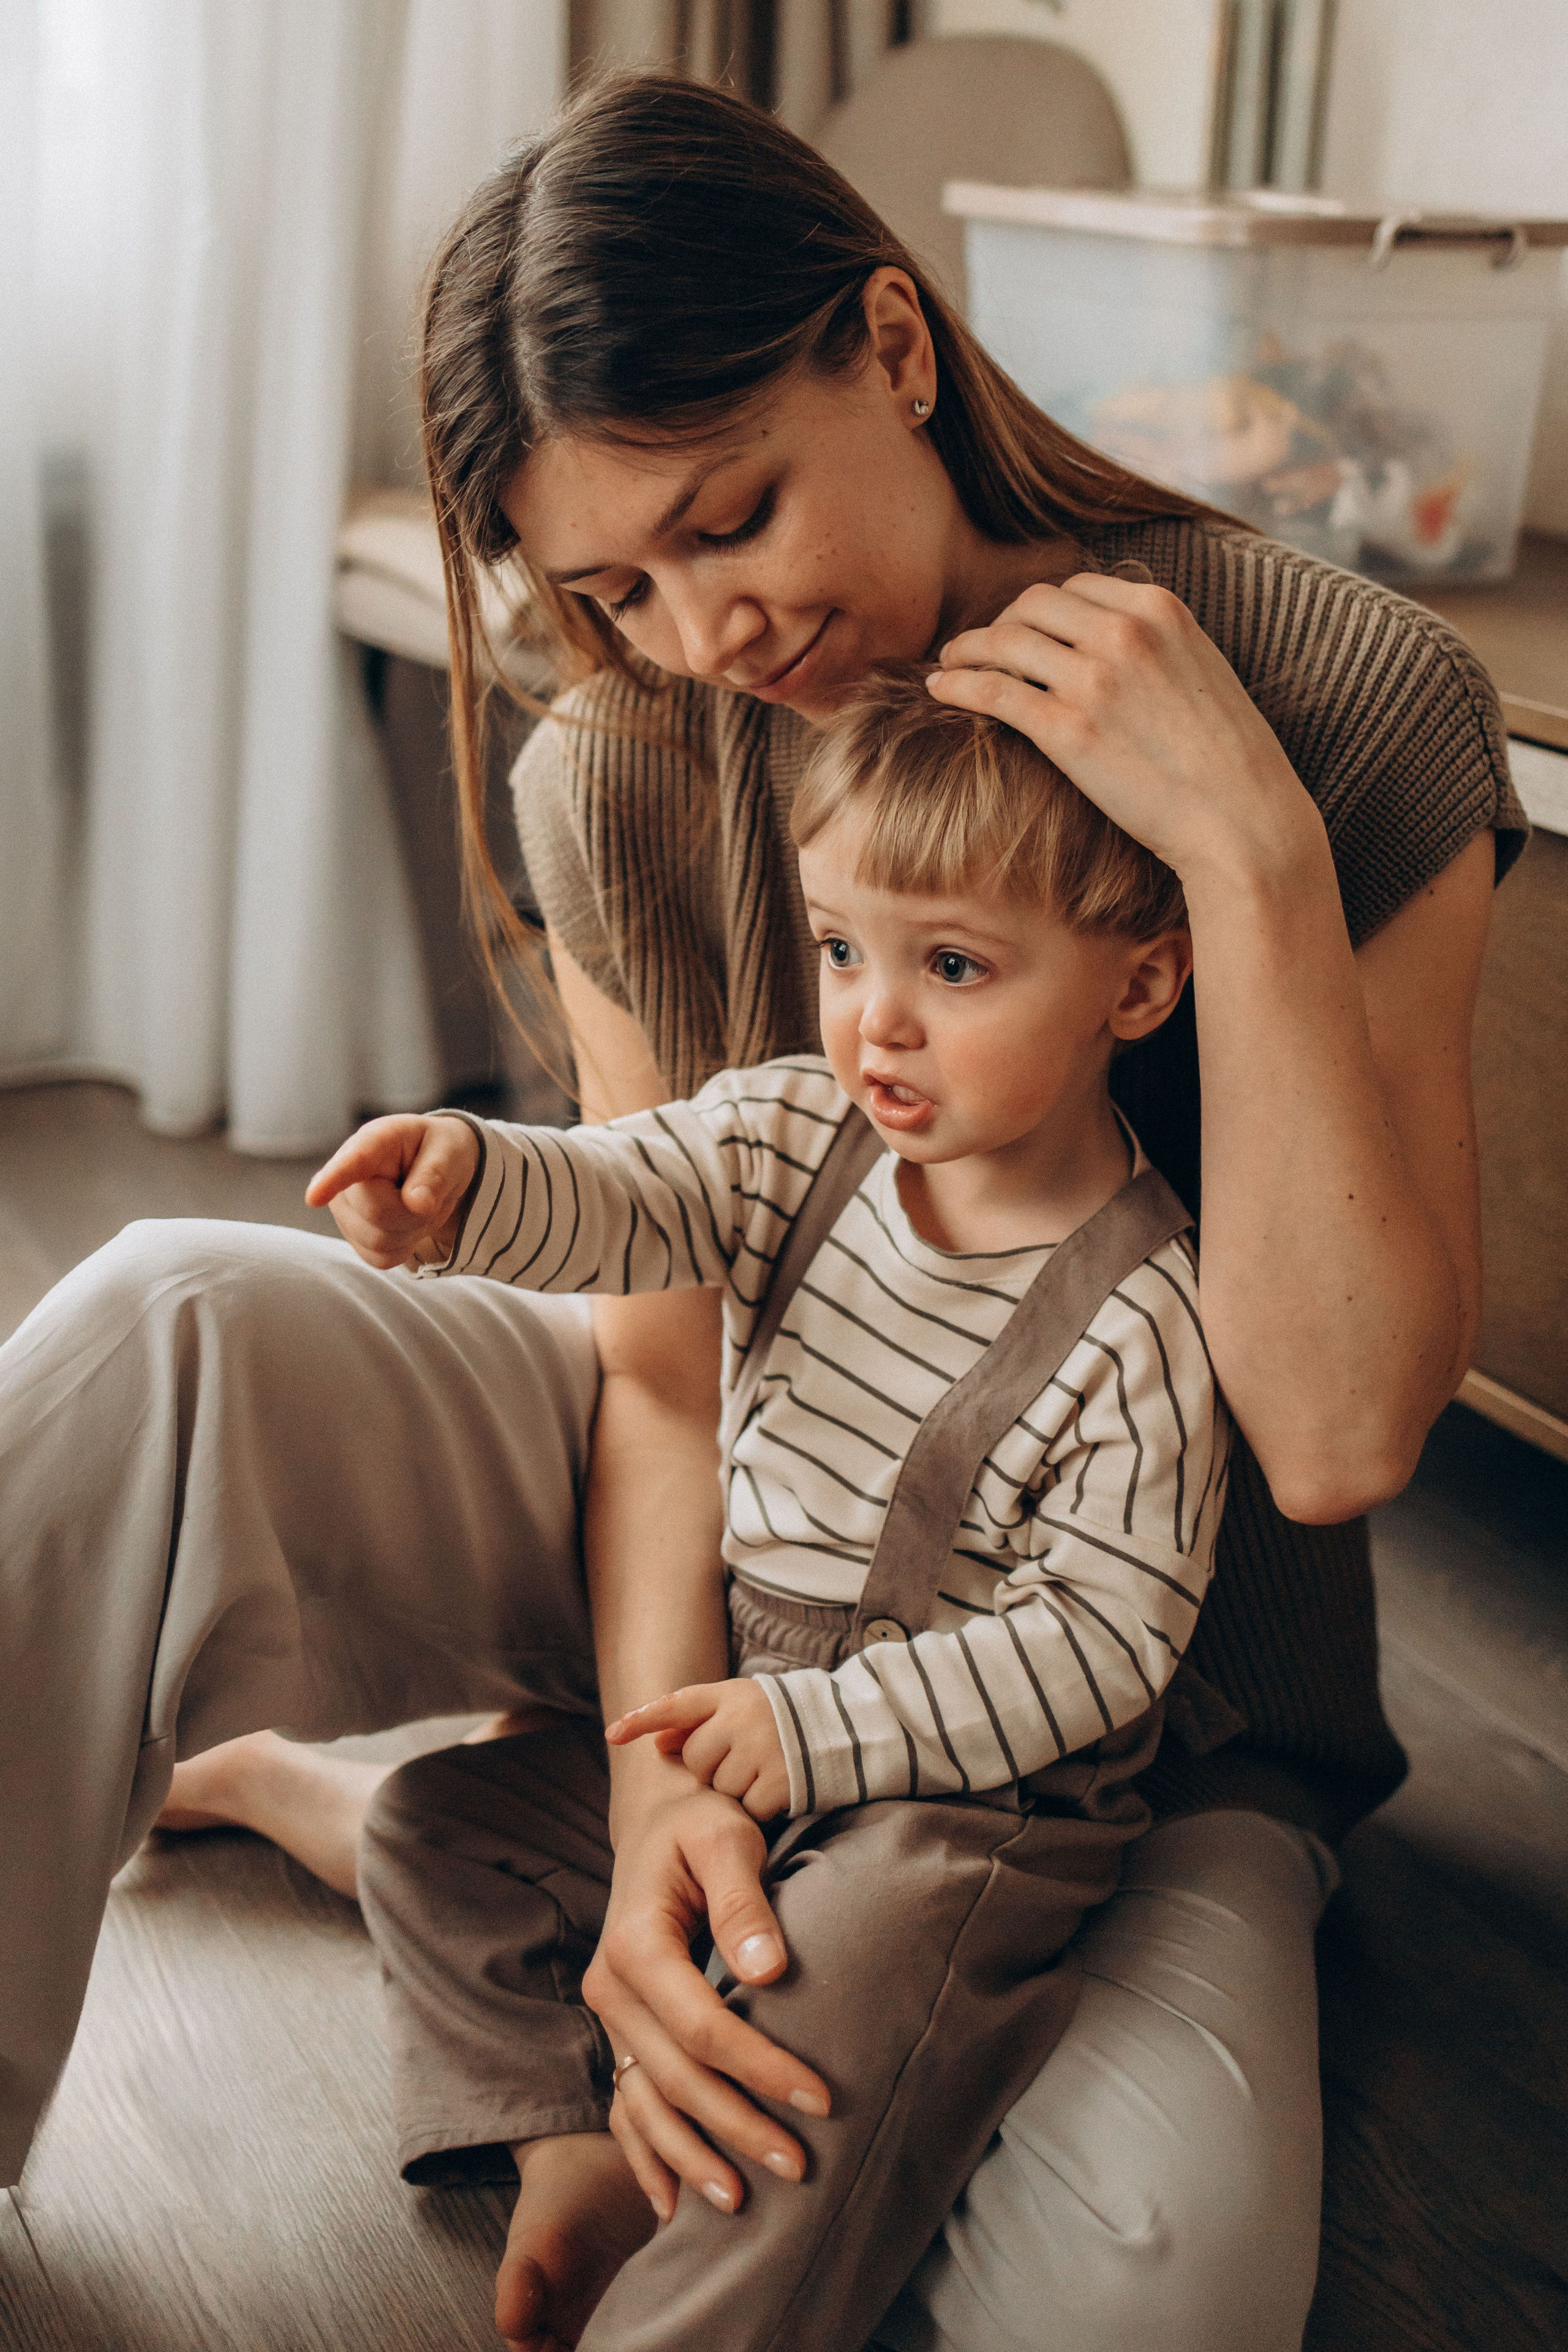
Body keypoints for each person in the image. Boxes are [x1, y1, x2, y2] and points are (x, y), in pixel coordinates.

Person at [0, 67, 1523, 2352]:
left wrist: (1252, 855)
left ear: (892, 353)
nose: (703, 632)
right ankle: (492, 1860)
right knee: (153, 1319)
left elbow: (1327, 1441)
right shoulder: (620, 755)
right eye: (616, 580)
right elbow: (661, 1356)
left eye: (731, 521)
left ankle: (356, 1816)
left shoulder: (1350, 697)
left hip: (1128, 1712)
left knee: (1151, 2286)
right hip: (749, 1564)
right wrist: (653, 1806)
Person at [306, 671, 1231, 2347]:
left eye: (951, 967)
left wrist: (819, 1737)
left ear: (1140, 981)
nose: (876, 1018)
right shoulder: (798, 1137)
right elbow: (620, 1190)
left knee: (809, 2027)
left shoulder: (1148, 1313)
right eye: (843, 950)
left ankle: (701, 2316)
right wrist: (465, 1183)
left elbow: (1102, 1643)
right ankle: (564, 2140)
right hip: (739, 1716)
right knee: (436, 1835)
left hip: (958, 1799)